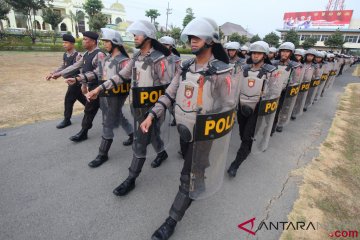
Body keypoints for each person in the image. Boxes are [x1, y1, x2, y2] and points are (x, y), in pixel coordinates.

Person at [140, 17, 239, 240]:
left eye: (197, 37)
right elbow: (169, 94)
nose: (192, 41)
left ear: (211, 41)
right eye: (190, 37)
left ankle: (171, 221)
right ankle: (200, 176)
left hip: (205, 132)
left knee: (188, 175)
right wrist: (151, 116)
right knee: (194, 165)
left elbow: (227, 105)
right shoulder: (185, 67)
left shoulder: (221, 71)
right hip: (184, 129)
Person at [86, 20, 173, 193]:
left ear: (148, 36)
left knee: (140, 143)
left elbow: (168, 89)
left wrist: (156, 113)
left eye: (137, 35)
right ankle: (162, 153)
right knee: (153, 135)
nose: (134, 38)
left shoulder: (160, 59)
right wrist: (98, 89)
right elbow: (121, 76)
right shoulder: (137, 57)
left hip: (153, 109)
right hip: (138, 107)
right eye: (134, 35)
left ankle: (131, 178)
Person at [66, 28, 134, 168]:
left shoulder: (125, 62)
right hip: (104, 94)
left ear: (115, 42)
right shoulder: (106, 59)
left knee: (107, 121)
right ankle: (132, 133)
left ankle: (102, 153)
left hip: (117, 95)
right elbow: (98, 75)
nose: (104, 45)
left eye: (107, 42)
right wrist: (79, 79)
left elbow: (123, 80)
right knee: (118, 117)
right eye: (103, 42)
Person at [227, 41, 277, 177]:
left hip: (257, 108)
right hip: (242, 105)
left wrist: (265, 94)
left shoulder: (271, 71)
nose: (255, 56)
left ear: (265, 55)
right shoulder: (243, 68)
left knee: (247, 136)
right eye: (254, 53)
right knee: (243, 133)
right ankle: (246, 147)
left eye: (259, 53)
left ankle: (236, 164)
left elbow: (275, 90)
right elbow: (235, 85)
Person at [51, 31, 106, 142]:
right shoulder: (86, 54)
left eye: (85, 39)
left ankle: (130, 132)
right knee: (90, 110)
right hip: (92, 88)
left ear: (93, 41)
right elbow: (76, 66)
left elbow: (98, 73)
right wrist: (59, 73)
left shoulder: (99, 54)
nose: (83, 41)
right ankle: (83, 132)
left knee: (110, 111)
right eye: (83, 38)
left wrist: (78, 79)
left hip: (101, 88)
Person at [46, 34, 86, 129]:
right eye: (63, 42)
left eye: (66, 42)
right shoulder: (65, 55)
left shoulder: (78, 56)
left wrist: (83, 83)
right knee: (81, 97)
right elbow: (63, 66)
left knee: (68, 100)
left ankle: (67, 120)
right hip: (70, 81)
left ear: (72, 44)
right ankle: (94, 107)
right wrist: (53, 73)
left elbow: (79, 69)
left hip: (76, 82)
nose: (64, 44)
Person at [271, 42, 302, 133]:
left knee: (280, 109)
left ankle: (276, 125)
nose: (284, 53)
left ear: (291, 53)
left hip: (284, 91)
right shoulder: (273, 63)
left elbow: (296, 79)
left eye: (287, 51)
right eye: (283, 51)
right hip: (272, 90)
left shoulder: (295, 65)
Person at [159, 36, 181, 127]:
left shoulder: (176, 59)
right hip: (159, 85)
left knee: (171, 107)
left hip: (171, 85)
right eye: (162, 45)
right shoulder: (157, 57)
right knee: (160, 105)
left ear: (171, 47)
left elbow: (179, 72)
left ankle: (177, 119)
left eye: (166, 45)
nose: (164, 47)